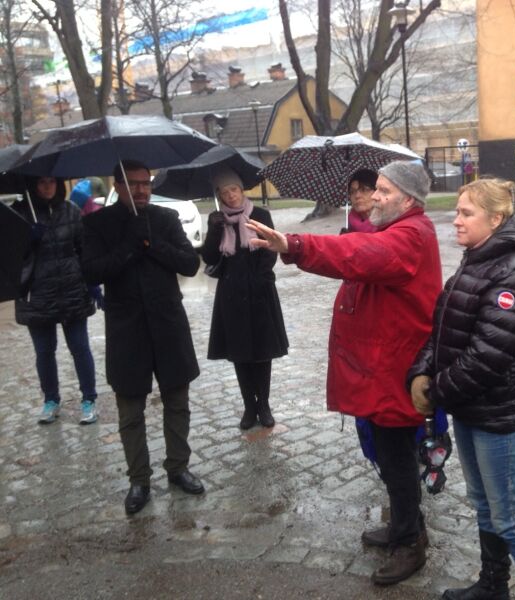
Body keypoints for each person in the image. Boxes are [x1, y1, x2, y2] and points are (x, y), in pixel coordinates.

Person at [247, 161, 442, 586]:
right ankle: (406, 525)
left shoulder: (411, 235)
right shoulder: (395, 231)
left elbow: (358, 255)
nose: (375, 197)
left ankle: (410, 541)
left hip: (394, 369)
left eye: (385, 191)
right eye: (376, 190)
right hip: (382, 365)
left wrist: (293, 245)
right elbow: (358, 252)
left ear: (408, 200)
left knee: (396, 458)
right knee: (392, 458)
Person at [408, 178, 515, 599]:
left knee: (511, 513)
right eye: (457, 211)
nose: (455, 219)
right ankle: (493, 586)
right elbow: (444, 330)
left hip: (501, 417)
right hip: (471, 410)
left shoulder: (513, 272)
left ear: (496, 218)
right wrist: (421, 370)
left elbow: (488, 356)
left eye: (466, 212)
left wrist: (435, 393)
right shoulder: (477, 259)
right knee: (485, 503)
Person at [82, 160, 204, 516]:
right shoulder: (97, 224)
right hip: (126, 329)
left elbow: (188, 264)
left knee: (177, 402)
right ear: (117, 185)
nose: (141, 190)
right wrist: (128, 247)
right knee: (130, 411)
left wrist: (151, 245)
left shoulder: (165, 220)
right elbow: (91, 270)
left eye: (145, 183)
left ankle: (178, 467)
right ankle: (139, 479)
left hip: (168, 323)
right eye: (133, 184)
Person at [201, 168, 288, 430]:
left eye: (234, 190)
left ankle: (264, 404)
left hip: (260, 291)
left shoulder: (260, 215)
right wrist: (215, 231)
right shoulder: (217, 220)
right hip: (231, 294)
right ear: (220, 195)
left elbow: (271, 248)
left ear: (242, 190)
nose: (231, 196)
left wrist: (261, 279)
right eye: (225, 192)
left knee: (262, 352)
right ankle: (249, 407)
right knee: (240, 353)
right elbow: (209, 258)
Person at [13, 176, 99, 425]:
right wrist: (27, 242)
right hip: (36, 295)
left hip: (71, 291)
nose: (47, 186)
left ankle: (89, 399)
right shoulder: (20, 213)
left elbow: (83, 249)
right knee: (44, 352)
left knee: (80, 349)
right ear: (32, 185)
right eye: (41, 182)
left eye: (51, 181)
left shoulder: (71, 211)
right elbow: (9, 255)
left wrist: (92, 283)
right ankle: (51, 399)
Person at [345, 169, 378, 233]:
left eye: (364, 190)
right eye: (352, 191)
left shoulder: (389, 224)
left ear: (377, 191)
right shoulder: (350, 224)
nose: (357, 196)